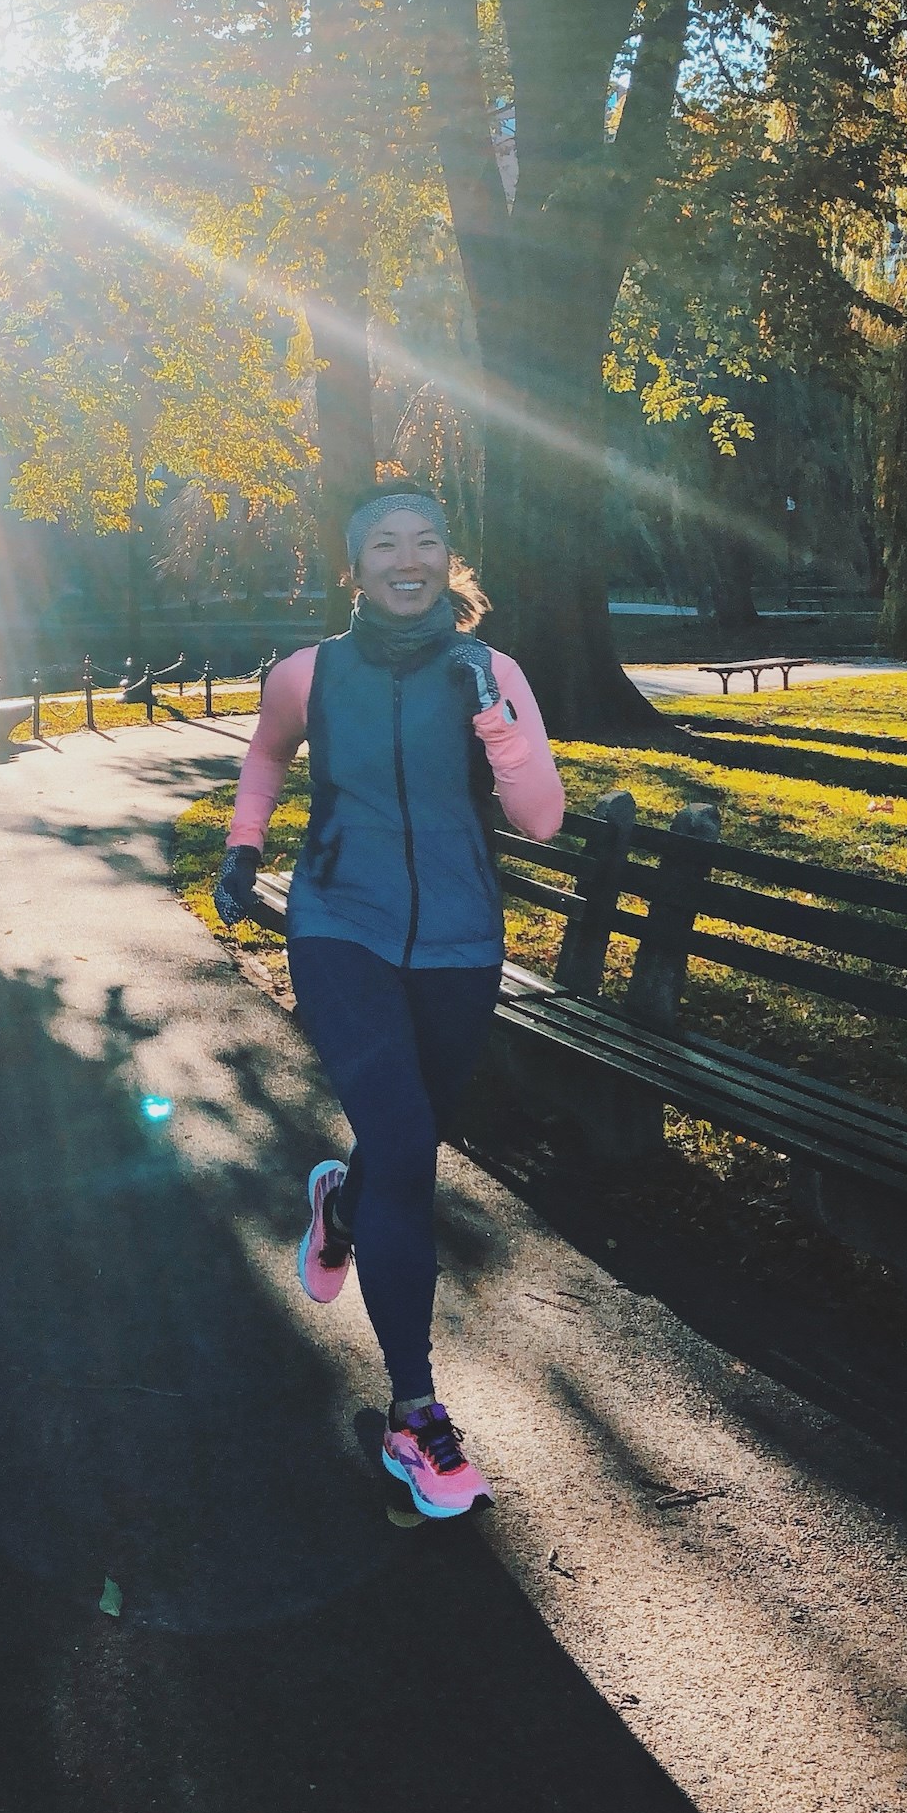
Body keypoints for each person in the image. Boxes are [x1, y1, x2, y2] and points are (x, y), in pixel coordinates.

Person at [213, 482, 564, 1519]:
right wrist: (244, 845)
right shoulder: (308, 673)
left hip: (460, 939)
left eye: (425, 542)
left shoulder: (491, 670)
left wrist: (492, 717)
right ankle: (415, 1414)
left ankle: (340, 1205)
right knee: (408, 1152)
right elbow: (266, 753)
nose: (407, 560)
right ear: (355, 565)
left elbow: (540, 819)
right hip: (340, 927)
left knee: (404, 1139)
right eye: (384, 545)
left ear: (447, 558)